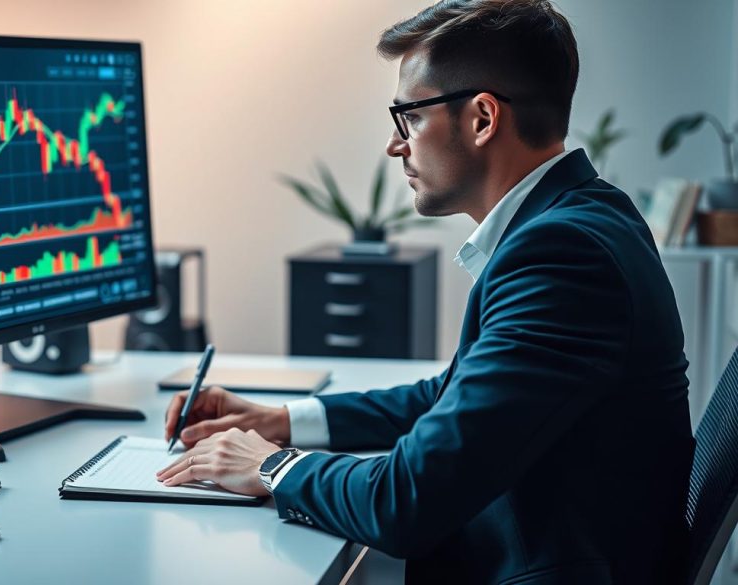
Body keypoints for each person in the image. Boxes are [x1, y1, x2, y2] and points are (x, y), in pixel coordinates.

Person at [156, 0, 695, 583]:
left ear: (483, 118)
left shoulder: (562, 255)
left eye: (408, 117)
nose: (396, 146)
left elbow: (405, 502)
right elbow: (456, 395)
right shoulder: (585, 214)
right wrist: (280, 420)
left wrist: (272, 467)